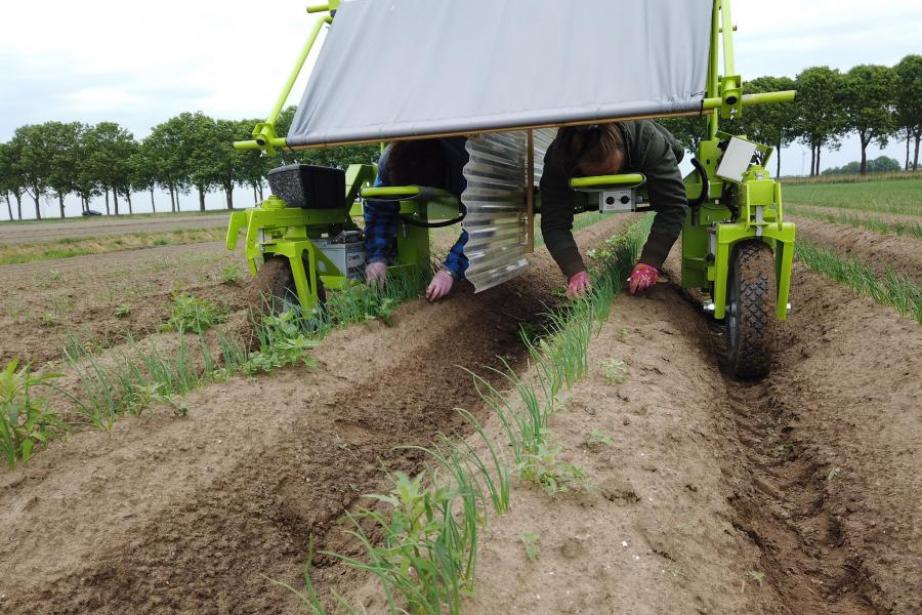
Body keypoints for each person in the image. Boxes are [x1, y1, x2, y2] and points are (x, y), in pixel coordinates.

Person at [539, 121, 687, 297]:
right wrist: (574, 270)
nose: (609, 183)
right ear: (577, 165)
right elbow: (554, 222)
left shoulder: (649, 142)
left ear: (623, 149)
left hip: (656, 156)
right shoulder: (559, 157)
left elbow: (673, 206)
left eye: (610, 174)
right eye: (594, 175)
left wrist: (650, 262)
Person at [363, 138, 469, 302]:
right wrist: (377, 257)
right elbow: (379, 208)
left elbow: (481, 223)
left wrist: (450, 271)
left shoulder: (465, 165)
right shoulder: (387, 163)